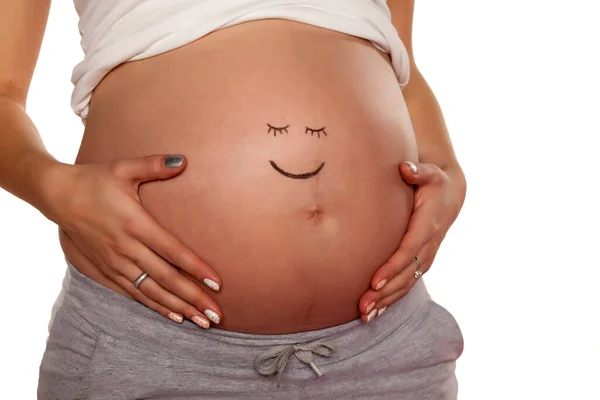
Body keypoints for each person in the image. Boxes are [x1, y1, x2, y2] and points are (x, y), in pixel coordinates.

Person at [0, 0, 467, 398]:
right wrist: (54, 188)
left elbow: (401, 63)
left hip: (386, 347)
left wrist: (447, 169)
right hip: (151, 345)